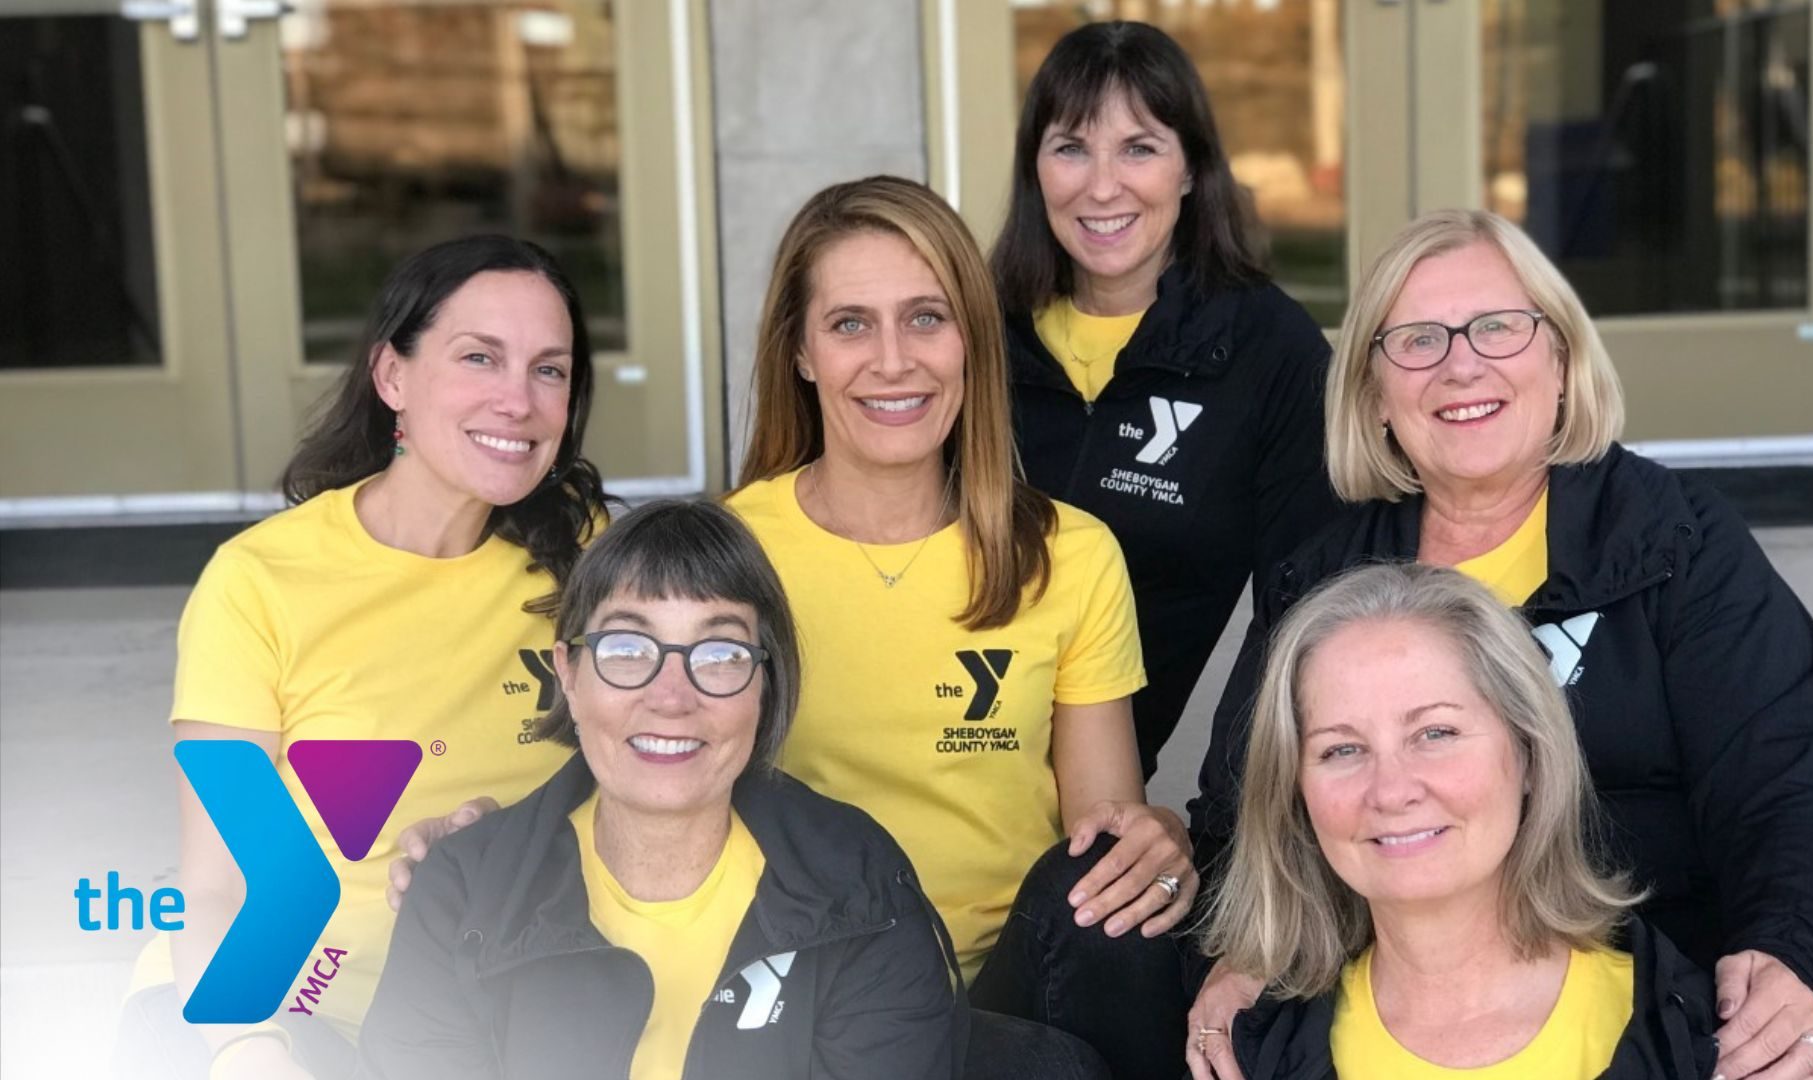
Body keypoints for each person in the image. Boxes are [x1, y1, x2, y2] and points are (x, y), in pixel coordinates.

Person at [1188, 209, 1813, 1079]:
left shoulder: (1676, 544)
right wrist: (1238, 956)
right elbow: (1243, 814)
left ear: (1561, 361)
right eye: (1416, 340)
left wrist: (1789, 959)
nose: (1462, 365)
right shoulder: (1324, 578)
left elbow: (1793, 793)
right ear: (1374, 393)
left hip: (1673, 979)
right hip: (1418, 978)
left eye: (1498, 327)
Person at [727, 174, 1192, 1080]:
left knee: (1110, 898)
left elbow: (1102, 829)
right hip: (819, 974)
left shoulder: (1070, 553)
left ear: (973, 340)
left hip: (1014, 974)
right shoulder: (729, 556)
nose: (894, 360)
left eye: (927, 318)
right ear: (801, 352)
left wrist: (1151, 846)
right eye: (851, 323)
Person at [113, 235, 610, 1080]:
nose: (518, 400)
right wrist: (253, 1051)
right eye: (479, 358)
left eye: (549, 370)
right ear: (392, 379)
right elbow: (221, 887)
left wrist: (506, 848)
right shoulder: (260, 582)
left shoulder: (588, 564)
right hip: (273, 1006)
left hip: (486, 1004)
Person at [356, 499, 966, 1078]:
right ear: (568, 674)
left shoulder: (858, 878)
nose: (672, 697)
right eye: (626, 648)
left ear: (765, 683)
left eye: (720, 653)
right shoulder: (462, 892)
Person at [1197, 562, 1720, 1079]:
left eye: (1436, 733)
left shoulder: (1707, 1041)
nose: (1392, 790)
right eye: (1342, 749)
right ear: (1295, 791)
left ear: (1530, 754)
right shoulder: (1244, 1056)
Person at [992, 21, 1337, 778]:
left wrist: (1219, 818)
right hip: (936, 757)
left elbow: (1307, 621)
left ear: (1190, 170)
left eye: (1139, 148)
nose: (1102, 185)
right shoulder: (978, 335)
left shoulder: (1269, 353)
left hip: (1101, 792)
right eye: (1071, 147)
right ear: (1035, 169)